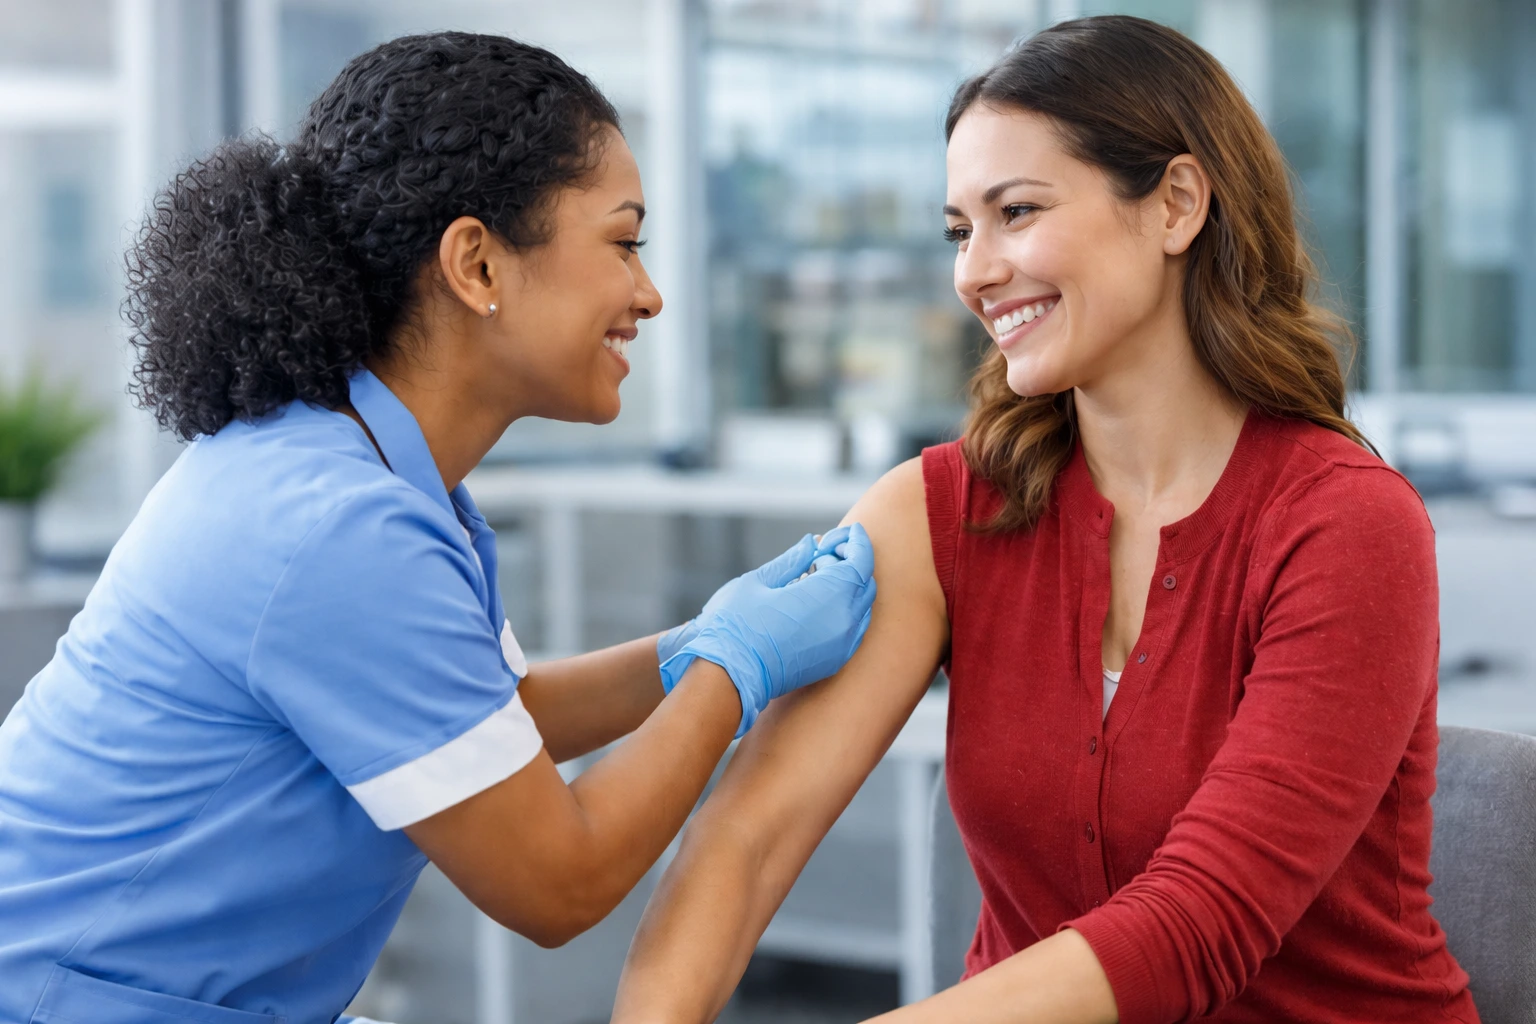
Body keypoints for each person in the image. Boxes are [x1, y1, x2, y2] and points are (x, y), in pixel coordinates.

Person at [613, 16, 1478, 1024]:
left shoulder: (1347, 526)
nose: (973, 272)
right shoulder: (940, 513)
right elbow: (747, 839)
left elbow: (1199, 923)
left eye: (1015, 212)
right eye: (958, 229)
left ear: (1177, 205)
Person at [0, 32, 877, 1024]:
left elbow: (497, 720)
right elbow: (560, 882)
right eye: (623, 241)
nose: (649, 292)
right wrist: (736, 666)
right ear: (477, 263)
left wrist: (694, 644)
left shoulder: (367, 473)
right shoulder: (334, 526)